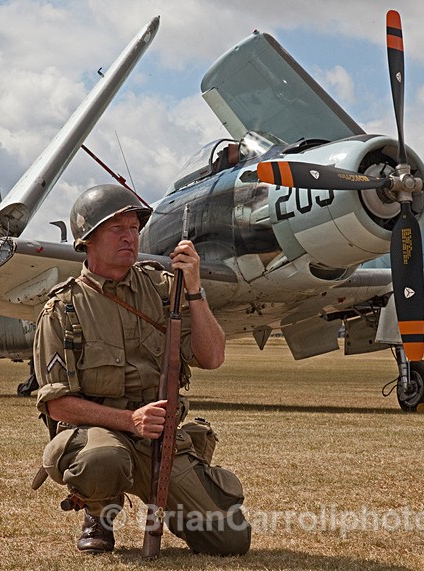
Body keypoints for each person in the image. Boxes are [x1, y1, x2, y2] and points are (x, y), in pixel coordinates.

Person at [33, 184, 251, 555]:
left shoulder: (165, 288)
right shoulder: (63, 309)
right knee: (102, 459)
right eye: (116, 228)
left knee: (230, 541)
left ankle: (173, 504)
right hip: (100, 435)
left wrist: (195, 290)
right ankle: (99, 513)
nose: (129, 237)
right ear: (87, 239)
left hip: (160, 439)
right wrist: (130, 420)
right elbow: (58, 404)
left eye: (134, 228)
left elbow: (212, 356)